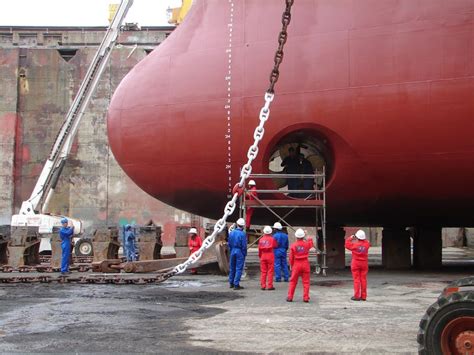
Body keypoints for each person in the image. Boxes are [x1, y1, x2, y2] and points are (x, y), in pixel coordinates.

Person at [287, 228, 313, 303]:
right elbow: (311, 243)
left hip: (296, 264)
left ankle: (290, 297)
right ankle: (306, 298)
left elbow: (291, 258)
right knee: (306, 282)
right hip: (305, 264)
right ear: (303, 236)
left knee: (293, 281)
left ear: (296, 236)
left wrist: (291, 266)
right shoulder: (306, 244)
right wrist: (307, 236)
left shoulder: (293, 245)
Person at [345, 229, 371, 301]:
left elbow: (346, 244)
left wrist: (351, 237)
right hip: (364, 263)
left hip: (356, 263)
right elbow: (367, 242)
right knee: (363, 280)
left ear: (357, 237)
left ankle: (356, 296)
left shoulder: (354, 245)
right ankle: (364, 296)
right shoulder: (367, 244)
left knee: (356, 280)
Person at [228, 218, 247, 290]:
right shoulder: (243, 234)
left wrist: (231, 250)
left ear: (237, 224)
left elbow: (229, 243)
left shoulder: (232, 232)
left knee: (232, 268)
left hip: (233, 251)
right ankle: (236, 284)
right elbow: (244, 246)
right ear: (243, 226)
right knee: (239, 268)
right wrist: (244, 254)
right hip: (239, 252)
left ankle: (231, 283)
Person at [258, 225, 278, 290]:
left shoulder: (261, 239)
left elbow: (259, 249)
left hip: (263, 255)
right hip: (270, 255)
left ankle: (263, 285)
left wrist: (260, 256)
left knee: (263, 271)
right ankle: (270, 286)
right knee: (270, 271)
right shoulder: (272, 239)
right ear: (270, 232)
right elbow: (275, 246)